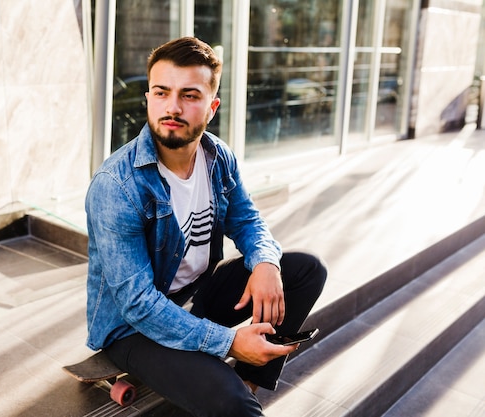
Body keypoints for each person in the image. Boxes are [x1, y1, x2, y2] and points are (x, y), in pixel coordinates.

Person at [85, 37, 327, 417]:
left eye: (190, 95)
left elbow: (247, 220)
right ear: (148, 98)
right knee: (232, 404)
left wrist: (265, 262)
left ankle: (247, 381)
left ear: (211, 107)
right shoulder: (117, 186)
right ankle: (233, 394)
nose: (173, 107)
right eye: (162, 92)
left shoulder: (217, 156)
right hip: (133, 327)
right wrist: (228, 342)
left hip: (194, 299)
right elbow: (138, 304)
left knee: (305, 271)